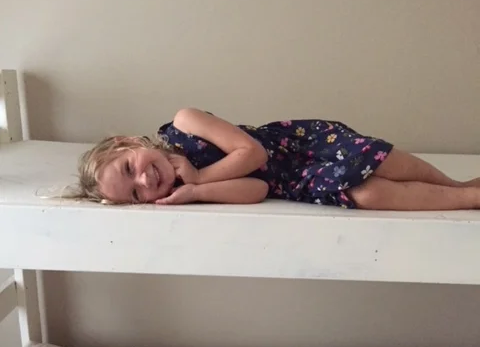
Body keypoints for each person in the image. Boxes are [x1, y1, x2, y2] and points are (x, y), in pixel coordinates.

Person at [76, 108, 480, 210]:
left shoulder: (184, 124)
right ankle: (469, 198)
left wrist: (200, 174)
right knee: (366, 195)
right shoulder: (183, 189)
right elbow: (258, 188)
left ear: (128, 143)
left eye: (129, 168)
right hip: (293, 180)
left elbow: (253, 154)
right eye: (134, 194)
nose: (144, 180)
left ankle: (458, 187)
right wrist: (196, 191)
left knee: (377, 160)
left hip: (299, 148)